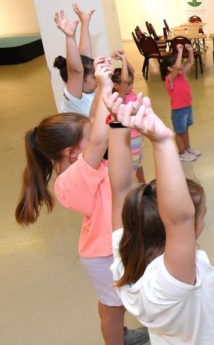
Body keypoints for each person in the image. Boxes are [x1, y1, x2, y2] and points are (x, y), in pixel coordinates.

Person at [15, 59, 147, 344]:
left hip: (107, 248)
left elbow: (95, 124)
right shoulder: (72, 179)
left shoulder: (83, 167)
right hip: (103, 254)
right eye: (88, 139)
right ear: (72, 152)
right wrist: (105, 86)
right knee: (114, 308)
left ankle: (120, 334)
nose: (96, 139)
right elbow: (99, 140)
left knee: (111, 303)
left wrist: (107, 93)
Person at [104, 94, 214, 344]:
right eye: (201, 214)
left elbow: (120, 189)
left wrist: (118, 122)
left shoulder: (127, 254)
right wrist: (162, 141)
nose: (202, 217)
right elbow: (180, 219)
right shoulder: (169, 282)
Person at [53, 4, 97, 117]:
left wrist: (85, 23)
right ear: (80, 80)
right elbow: (76, 71)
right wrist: (70, 37)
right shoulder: (73, 100)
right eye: (94, 76)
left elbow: (85, 57)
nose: (98, 78)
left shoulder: (88, 90)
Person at [160, 44, 201, 161]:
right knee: (179, 132)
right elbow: (178, 66)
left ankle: (187, 147)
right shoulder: (170, 79)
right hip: (178, 110)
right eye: (177, 64)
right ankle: (182, 152)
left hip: (187, 107)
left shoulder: (181, 74)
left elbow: (190, 62)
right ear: (170, 69)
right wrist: (180, 51)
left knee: (185, 129)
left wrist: (190, 51)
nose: (180, 65)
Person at [112, 50, 145, 183]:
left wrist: (124, 59)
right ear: (116, 86)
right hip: (131, 137)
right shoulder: (119, 98)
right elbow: (125, 80)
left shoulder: (129, 93)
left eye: (131, 84)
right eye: (127, 84)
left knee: (139, 162)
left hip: (137, 133)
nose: (130, 86)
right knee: (133, 165)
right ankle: (131, 188)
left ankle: (143, 183)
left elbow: (131, 73)